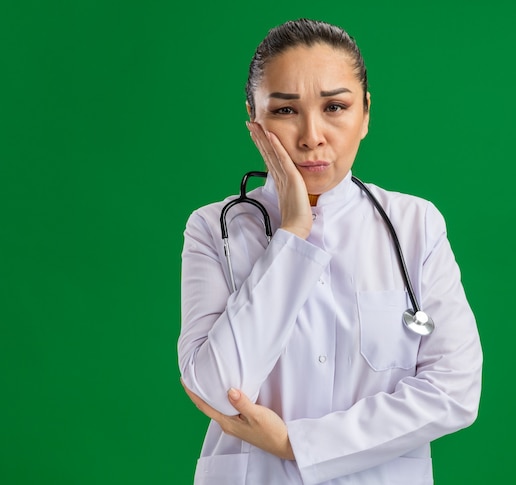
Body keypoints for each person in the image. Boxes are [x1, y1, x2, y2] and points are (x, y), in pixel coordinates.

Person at [178, 18, 482, 485]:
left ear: (365, 113)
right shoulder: (214, 229)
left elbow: (454, 391)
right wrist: (293, 233)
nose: (311, 136)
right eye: (285, 111)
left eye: (335, 106)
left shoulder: (416, 226)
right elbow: (216, 389)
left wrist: (293, 444)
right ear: (254, 120)